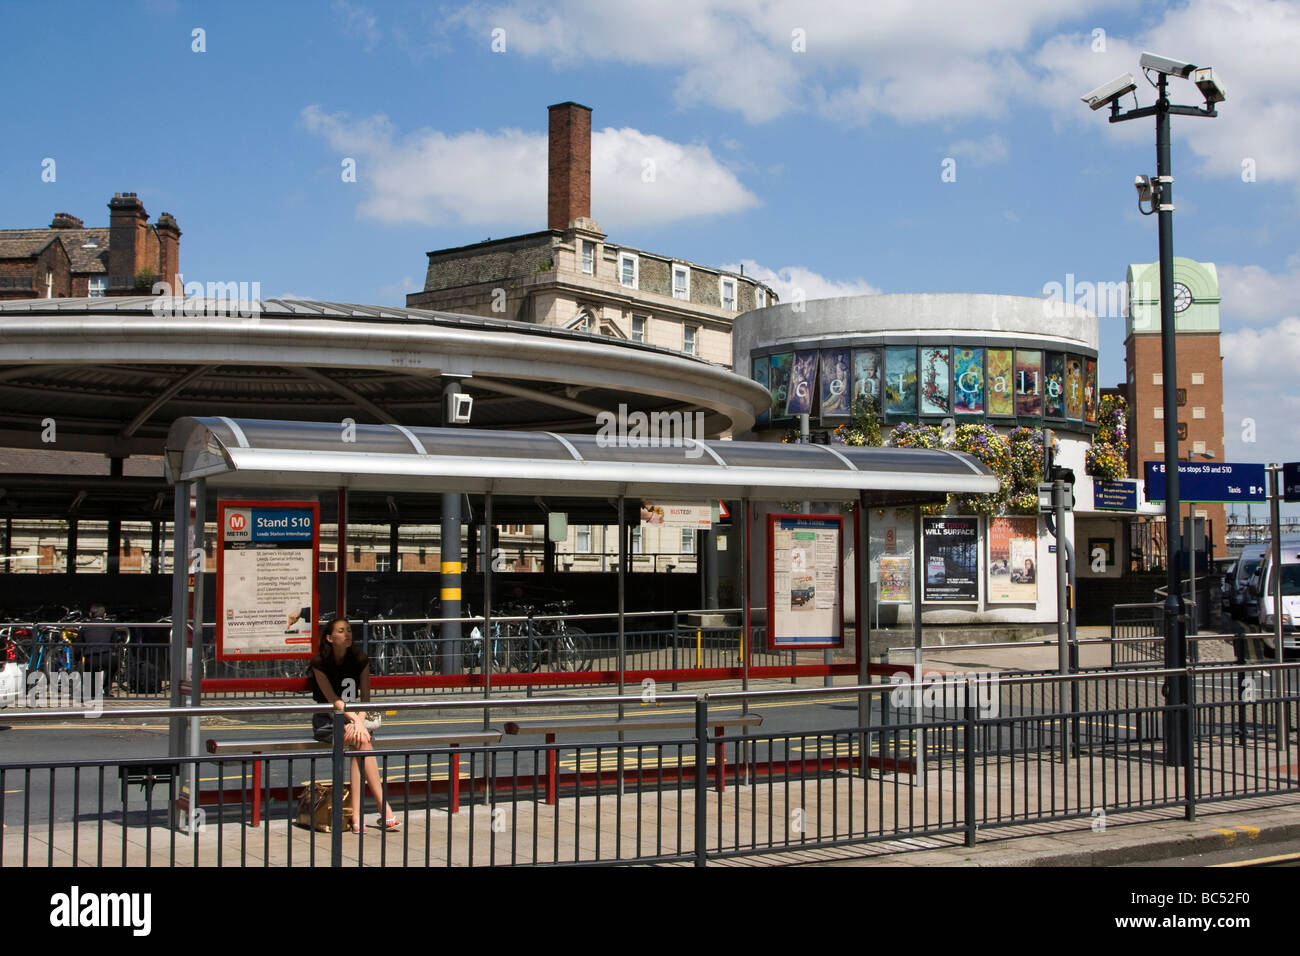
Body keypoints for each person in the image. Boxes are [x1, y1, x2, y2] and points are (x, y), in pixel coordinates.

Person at [308, 617, 399, 834]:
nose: (347, 634)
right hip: (327, 722)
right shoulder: (319, 663)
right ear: (330, 638)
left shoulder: (360, 658)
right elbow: (332, 699)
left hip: (354, 721)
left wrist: (358, 719)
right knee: (363, 741)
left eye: (349, 630)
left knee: (360, 742)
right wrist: (357, 721)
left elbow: (366, 697)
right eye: (341, 631)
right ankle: (382, 808)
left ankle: (357, 818)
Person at [79, 602, 118, 698]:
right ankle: (106, 689)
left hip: (91, 657)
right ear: (104, 615)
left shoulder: (85, 627)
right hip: (107, 656)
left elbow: (79, 644)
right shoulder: (110, 626)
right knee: (114, 666)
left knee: (90, 673)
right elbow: (115, 642)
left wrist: (77, 658)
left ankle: (91, 693)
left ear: (90, 614)